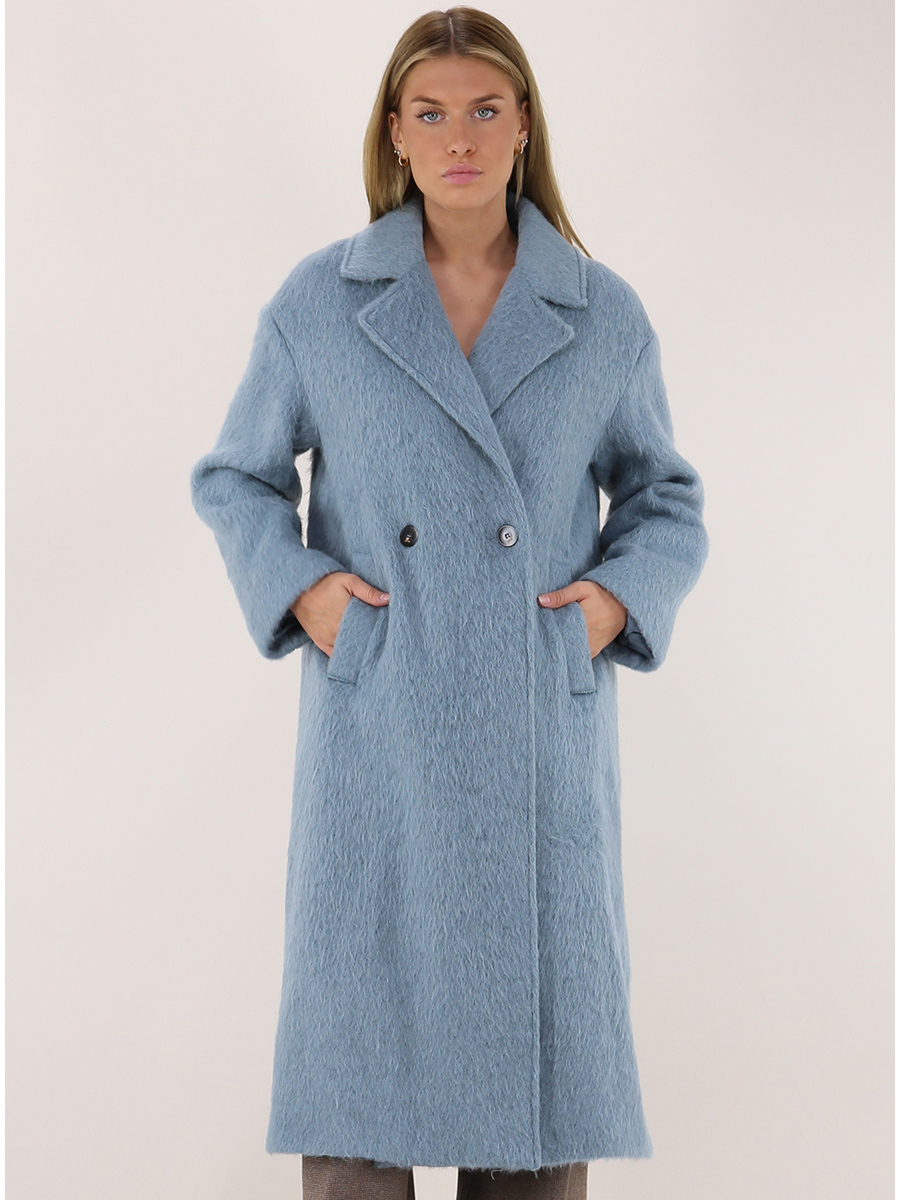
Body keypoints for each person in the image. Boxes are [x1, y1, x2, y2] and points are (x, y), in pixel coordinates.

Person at [190, 8, 709, 1200]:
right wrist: (308, 593)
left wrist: (608, 608)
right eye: (431, 113)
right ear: (396, 132)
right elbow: (235, 478)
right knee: (357, 1119)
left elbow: (666, 499)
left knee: (531, 1133)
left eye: (484, 109)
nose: (459, 138)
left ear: (524, 126)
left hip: (537, 750)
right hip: (378, 742)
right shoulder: (323, 303)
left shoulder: (600, 313)